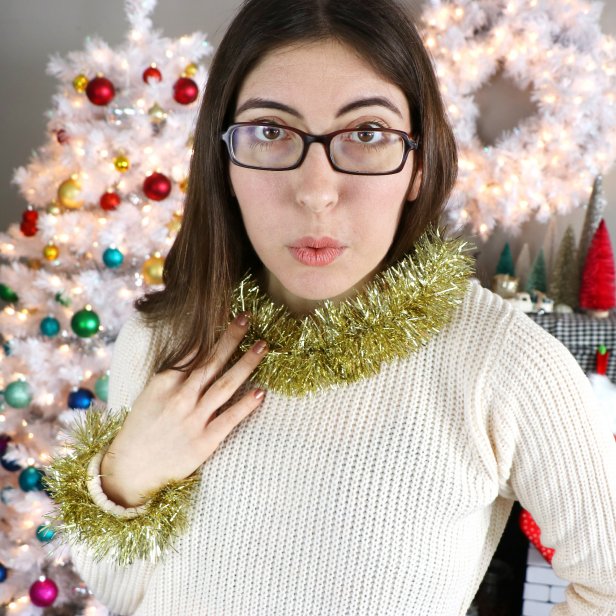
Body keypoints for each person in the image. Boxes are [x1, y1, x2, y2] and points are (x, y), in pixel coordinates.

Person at [43, 0, 616, 614]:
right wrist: (128, 474)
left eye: (367, 135)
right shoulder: (161, 340)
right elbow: (123, 596)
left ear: (418, 164)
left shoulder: (501, 363)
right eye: (270, 131)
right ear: (223, 159)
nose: (316, 192)